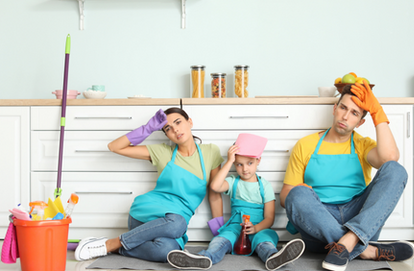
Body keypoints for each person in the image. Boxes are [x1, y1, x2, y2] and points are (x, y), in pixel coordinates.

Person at [279, 82, 414, 271]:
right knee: (296, 194)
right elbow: (285, 196)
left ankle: (349, 241)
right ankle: (366, 250)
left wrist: (377, 111)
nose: (345, 116)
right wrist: (301, 190)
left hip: (359, 217)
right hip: (320, 224)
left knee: (395, 169)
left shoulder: (362, 145)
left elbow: (390, 158)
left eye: (354, 113)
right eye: (343, 108)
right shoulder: (306, 145)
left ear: (361, 122)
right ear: (335, 109)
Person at [75, 107, 225, 262]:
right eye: (168, 128)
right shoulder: (162, 152)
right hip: (146, 215)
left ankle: (116, 246)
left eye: (178, 122)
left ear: (190, 122)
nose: (175, 129)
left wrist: (219, 232)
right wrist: (148, 128)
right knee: (177, 223)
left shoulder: (210, 152)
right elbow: (114, 147)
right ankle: (110, 244)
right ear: (166, 134)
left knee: (167, 251)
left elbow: (214, 195)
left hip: (172, 223)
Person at [167, 133, 305, 271]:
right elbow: (215, 186)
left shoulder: (265, 186)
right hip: (235, 227)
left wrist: (256, 228)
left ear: (258, 160)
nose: (244, 169)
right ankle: (205, 258)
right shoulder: (233, 182)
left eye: (249, 163)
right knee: (220, 241)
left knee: (265, 240)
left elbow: (269, 218)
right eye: (239, 164)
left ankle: (273, 257)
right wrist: (228, 161)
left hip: (258, 228)